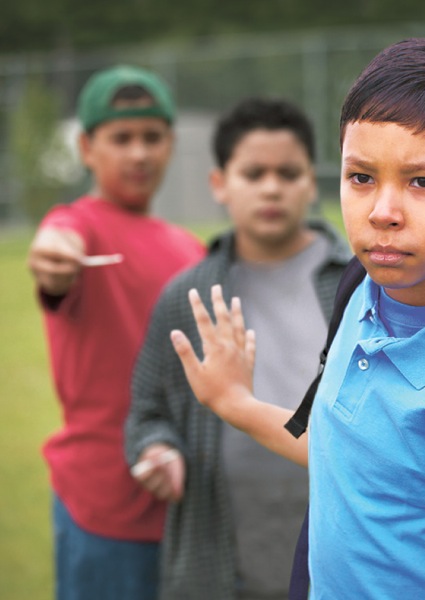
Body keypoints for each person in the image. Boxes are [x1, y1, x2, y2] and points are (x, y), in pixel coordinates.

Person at [169, 38, 425, 600]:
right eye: (361, 177)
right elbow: (353, 457)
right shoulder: (365, 286)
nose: (382, 213)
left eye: (423, 182)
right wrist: (234, 402)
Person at [125, 97, 351, 599]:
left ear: (311, 182)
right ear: (220, 184)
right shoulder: (187, 295)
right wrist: (157, 449)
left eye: (288, 173)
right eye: (253, 173)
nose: (272, 187)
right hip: (222, 563)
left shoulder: (360, 285)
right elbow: (147, 411)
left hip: (339, 555)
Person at [27, 64, 206, 600]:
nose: (139, 154)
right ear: (86, 148)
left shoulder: (187, 248)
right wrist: (54, 256)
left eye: (152, 137)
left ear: (171, 145)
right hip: (102, 507)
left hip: (182, 502)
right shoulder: (80, 225)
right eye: (121, 138)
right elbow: (57, 246)